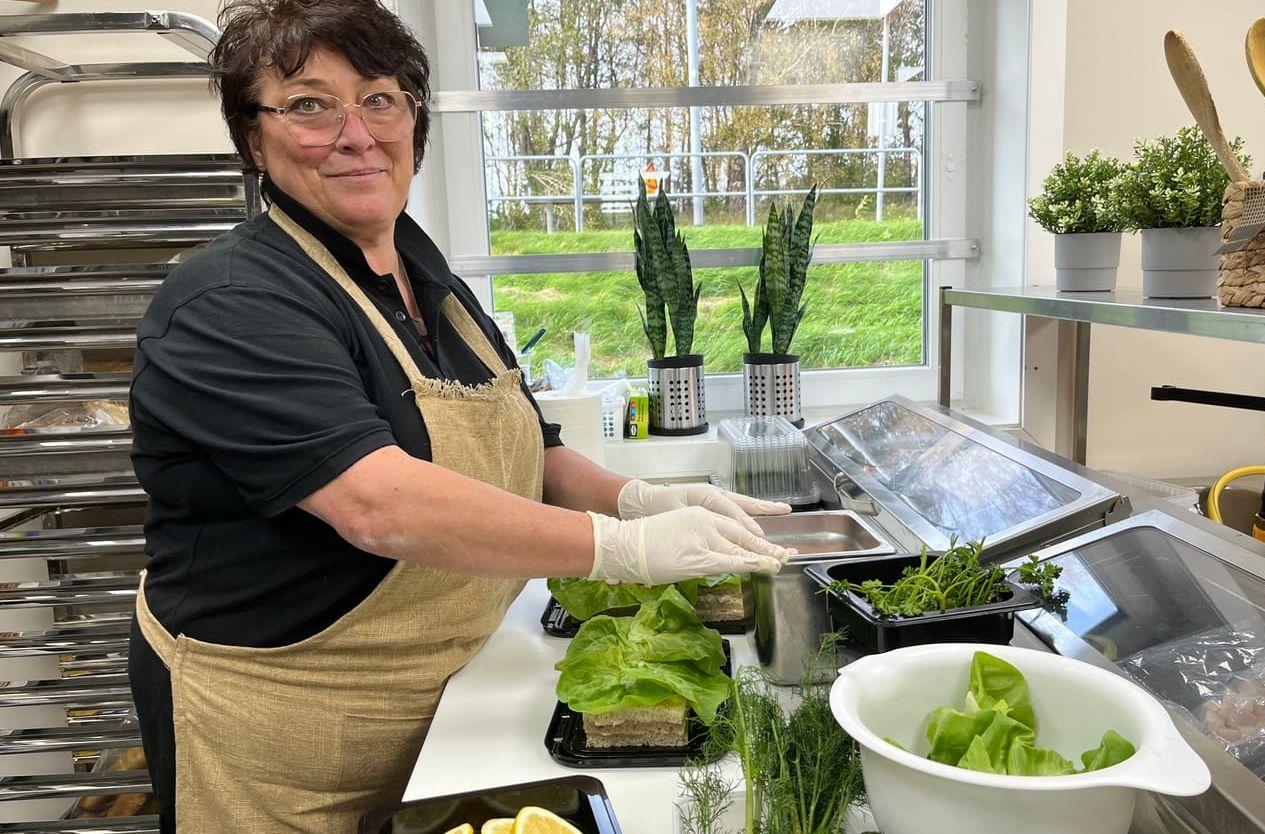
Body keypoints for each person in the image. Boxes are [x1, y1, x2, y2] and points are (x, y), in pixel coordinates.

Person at [126, 2, 791, 831]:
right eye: (307, 104)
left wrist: (637, 499)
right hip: (279, 729)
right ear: (253, 140)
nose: (356, 132)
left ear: (413, 119)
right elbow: (377, 503)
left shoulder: (420, 272)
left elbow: (527, 444)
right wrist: (619, 549)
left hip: (433, 701)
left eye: (381, 98)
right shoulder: (231, 303)